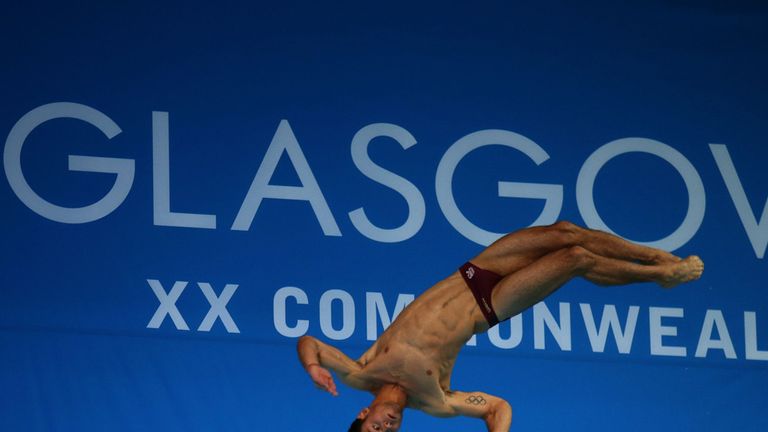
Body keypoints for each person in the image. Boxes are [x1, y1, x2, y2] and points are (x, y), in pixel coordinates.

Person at [296, 221, 704, 432]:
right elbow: (497, 407)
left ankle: (658, 260)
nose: (386, 428)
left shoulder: (360, 372)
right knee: (576, 258)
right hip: (489, 307)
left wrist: (313, 367)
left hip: (472, 274)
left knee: (565, 232)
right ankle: (660, 276)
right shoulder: (436, 402)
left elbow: (310, 342)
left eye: (374, 429)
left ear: (365, 413)